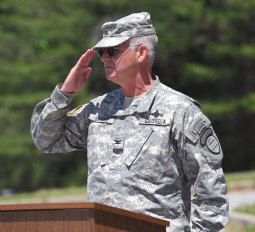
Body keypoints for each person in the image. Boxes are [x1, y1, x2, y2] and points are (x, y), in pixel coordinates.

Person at [31, 12, 229, 232]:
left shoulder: (180, 111)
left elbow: (211, 193)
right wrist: (65, 93)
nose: (105, 57)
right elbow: (46, 140)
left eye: (112, 51)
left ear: (141, 53)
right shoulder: (99, 109)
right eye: (101, 52)